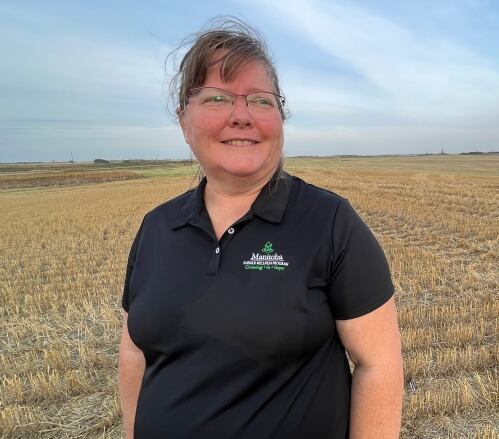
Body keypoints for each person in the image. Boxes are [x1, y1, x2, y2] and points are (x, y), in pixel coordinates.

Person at [118, 18, 403, 439]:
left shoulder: (329, 223)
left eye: (261, 100)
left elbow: (379, 365)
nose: (242, 116)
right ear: (183, 120)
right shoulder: (157, 227)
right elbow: (135, 348)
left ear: (281, 118)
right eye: (217, 98)